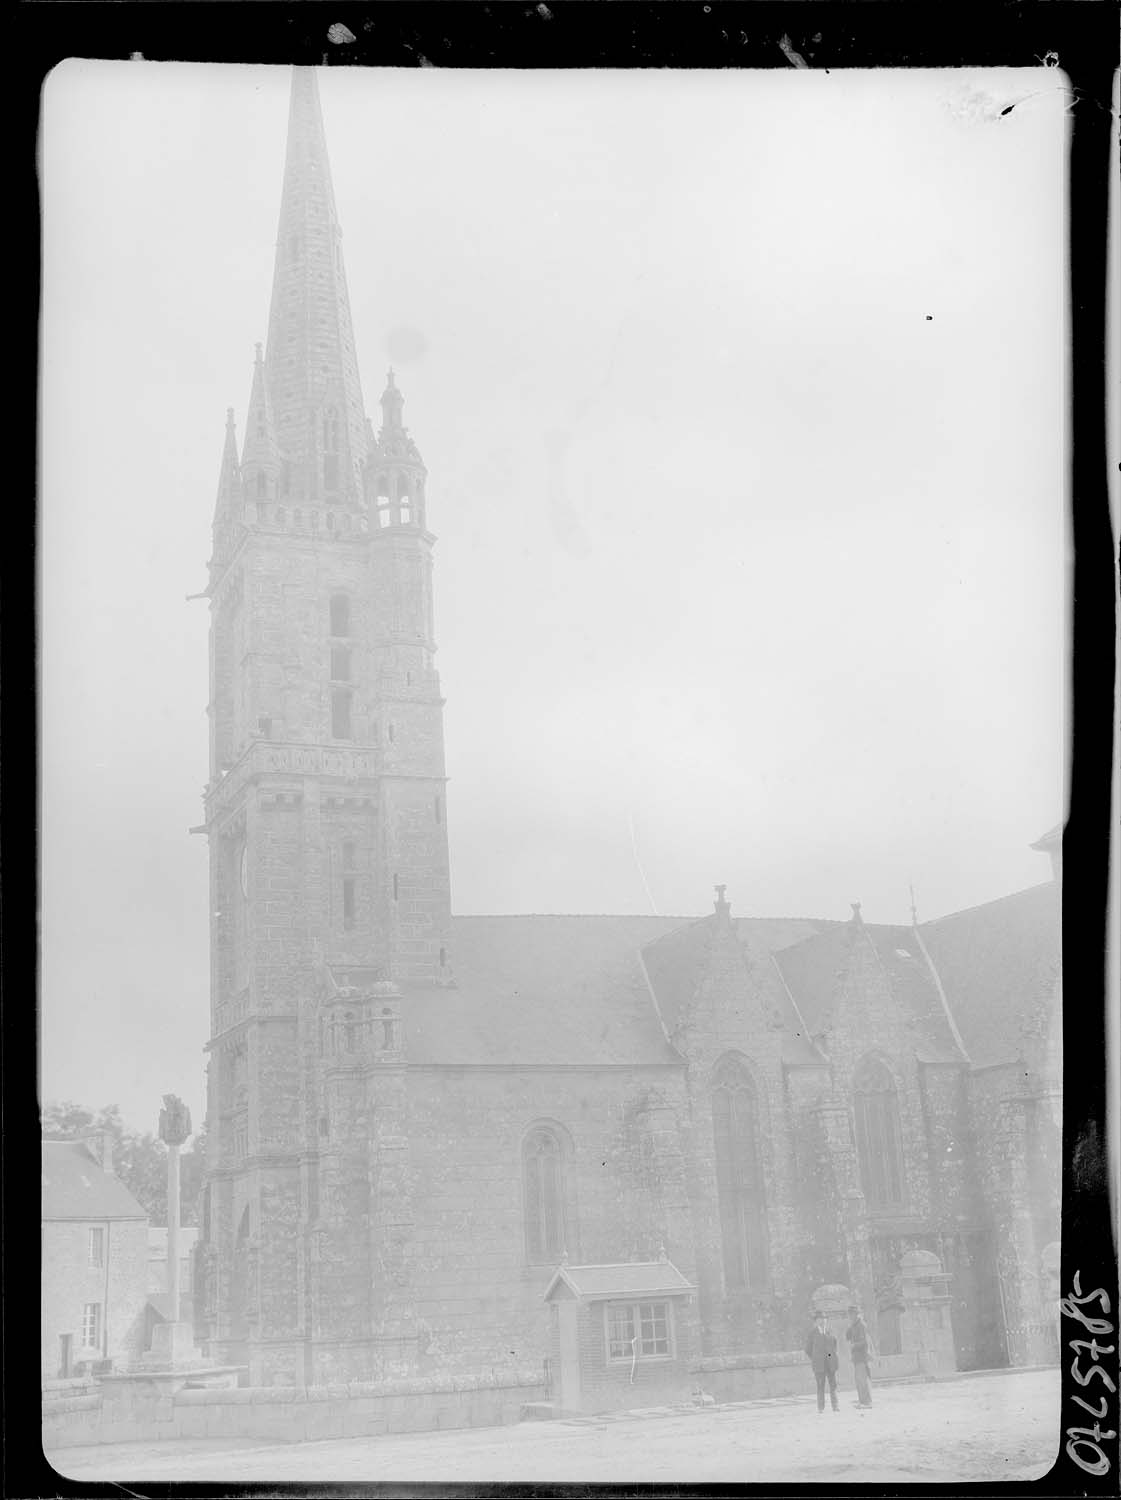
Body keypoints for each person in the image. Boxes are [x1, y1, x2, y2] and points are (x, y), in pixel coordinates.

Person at [804, 1309, 839, 1412]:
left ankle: (835, 1406)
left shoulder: (831, 1331)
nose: (823, 1321)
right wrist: (816, 1357)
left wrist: (830, 1355)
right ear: (816, 1321)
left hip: (830, 1363)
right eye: (820, 1319)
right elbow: (808, 1349)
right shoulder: (812, 1333)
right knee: (820, 1386)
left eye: (824, 1318)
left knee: (833, 1385)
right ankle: (821, 1407)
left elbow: (834, 1346)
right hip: (819, 1364)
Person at [846, 1303, 874, 1408]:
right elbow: (847, 1336)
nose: (850, 1317)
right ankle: (862, 1401)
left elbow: (864, 1342)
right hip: (857, 1357)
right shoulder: (854, 1325)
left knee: (863, 1380)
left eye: (852, 1314)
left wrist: (854, 1345)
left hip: (862, 1356)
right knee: (859, 1380)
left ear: (857, 1314)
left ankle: (867, 1402)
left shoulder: (861, 1325)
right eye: (849, 1315)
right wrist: (850, 1327)